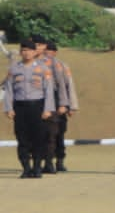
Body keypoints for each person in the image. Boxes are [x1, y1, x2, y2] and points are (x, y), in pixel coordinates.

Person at [5, 38, 57, 178]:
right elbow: (9, 90)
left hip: (37, 106)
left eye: (29, 50)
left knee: (38, 138)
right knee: (22, 138)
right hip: (20, 107)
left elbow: (48, 91)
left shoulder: (42, 69)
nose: (26, 53)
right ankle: (26, 168)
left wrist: (47, 109)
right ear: (21, 52)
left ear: (35, 52)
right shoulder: (14, 69)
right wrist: (9, 108)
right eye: (23, 50)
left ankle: (37, 167)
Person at [38, 40, 77, 173]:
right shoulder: (36, 64)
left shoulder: (61, 65)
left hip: (58, 101)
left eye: (49, 50)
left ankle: (59, 161)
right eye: (45, 49)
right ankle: (47, 161)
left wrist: (70, 106)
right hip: (41, 100)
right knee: (45, 133)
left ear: (54, 52)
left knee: (59, 133)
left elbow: (68, 86)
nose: (46, 52)